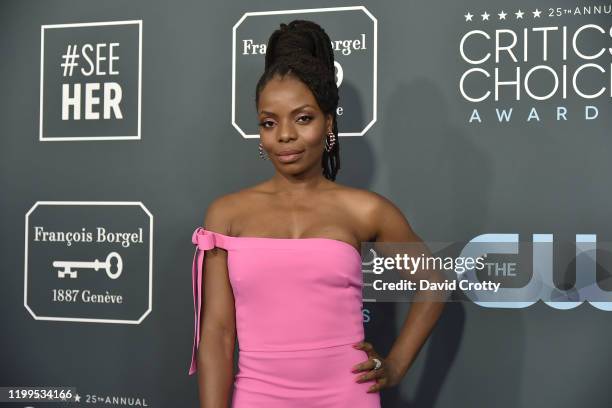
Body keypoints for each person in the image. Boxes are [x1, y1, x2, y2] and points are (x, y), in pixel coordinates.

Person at [189, 20, 446, 407]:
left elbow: (433, 282)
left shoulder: (365, 209)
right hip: (259, 396)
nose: (285, 135)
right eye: (269, 122)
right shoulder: (227, 214)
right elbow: (218, 334)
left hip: (347, 395)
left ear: (328, 122)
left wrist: (395, 365)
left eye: (303, 118)